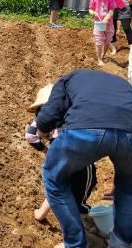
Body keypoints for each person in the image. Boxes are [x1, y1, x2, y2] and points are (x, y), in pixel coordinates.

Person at [36, 70, 132, 248]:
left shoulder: (67, 78)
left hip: (87, 129)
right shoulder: (122, 84)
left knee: (55, 178)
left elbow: (51, 112)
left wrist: (41, 129)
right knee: (128, 187)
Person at [25, 85, 97, 224]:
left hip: (57, 154)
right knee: (82, 187)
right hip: (78, 154)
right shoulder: (69, 113)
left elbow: (29, 136)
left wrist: (45, 150)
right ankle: (80, 221)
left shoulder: (41, 117)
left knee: (58, 184)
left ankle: (41, 213)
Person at [88, 0, 126, 65]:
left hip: (108, 23)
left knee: (108, 41)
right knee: (98, 41)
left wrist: (106, 19)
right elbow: (90, 9)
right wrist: (93, 12)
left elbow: (111, 11)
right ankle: (99, 59)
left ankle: (103, 55)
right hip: (98, 23)